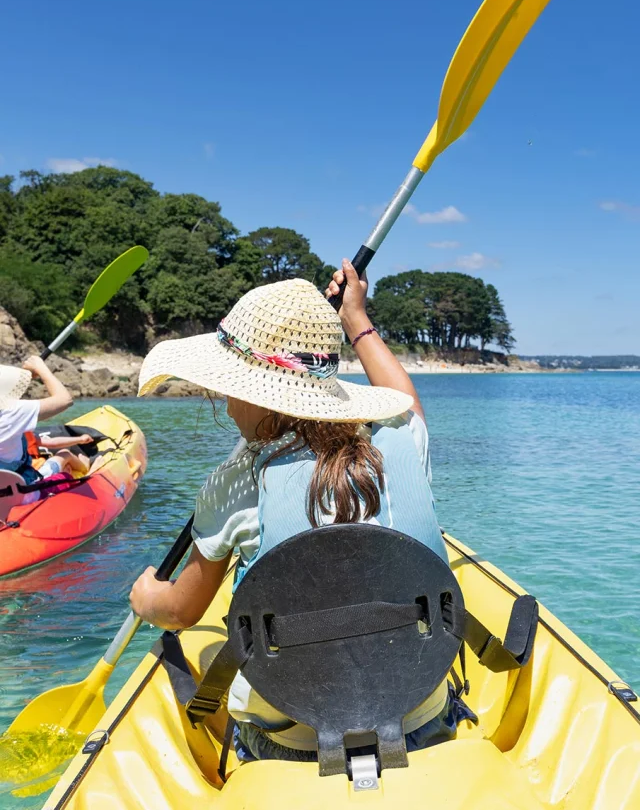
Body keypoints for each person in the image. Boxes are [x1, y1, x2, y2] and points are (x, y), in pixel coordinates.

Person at [130, 259, 470, 763]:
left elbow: (182, 611)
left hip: (290, 739)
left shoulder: (236, 482)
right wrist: (357, 320)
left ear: (263, 396)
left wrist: (147, 598)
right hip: (420, 714)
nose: (226, 405)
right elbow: (406, 402)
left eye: (233, 391)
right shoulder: (403, 436)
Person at [0, 356, 90, 486]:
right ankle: (87, 468)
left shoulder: (13, 415)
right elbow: (65, 400)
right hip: (23, 491)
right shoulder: (11, 413)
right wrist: (40, 367)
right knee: (63, 456)